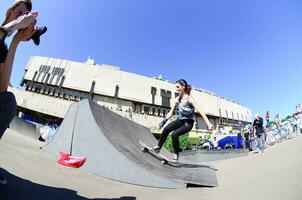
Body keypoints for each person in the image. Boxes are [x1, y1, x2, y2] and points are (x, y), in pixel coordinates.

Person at [0, 0, 41, 185]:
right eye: (20, 13)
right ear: (9, 11)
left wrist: (16, 40)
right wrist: (12, 26)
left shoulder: (3, 48)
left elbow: (2, 87)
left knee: (8, 100)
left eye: (25, 16)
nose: (22, 18)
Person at [153, 79, 213, 161]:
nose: (176, 89)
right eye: (176, 87)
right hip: (179, 121)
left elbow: (200, 111)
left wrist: (208, 124)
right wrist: (163, 121)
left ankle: (176, 154)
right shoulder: (177, 99)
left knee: (174, 134)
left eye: (178, 87)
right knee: (166, 129)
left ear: (183, 87)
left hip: (188, 123)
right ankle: (158, 147)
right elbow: (171, 112)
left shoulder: (190, 99)